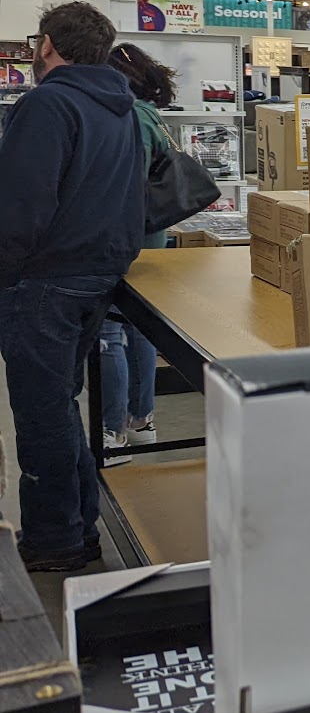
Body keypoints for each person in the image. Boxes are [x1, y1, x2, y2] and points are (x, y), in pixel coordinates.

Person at [0, 2, 146, 572]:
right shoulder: (121, 107)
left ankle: (54, 539)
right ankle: (77, 530)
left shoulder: (48, 103)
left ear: (47, 45)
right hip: (96, 275)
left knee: (42, 415)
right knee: (58, 407)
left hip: (44, 280)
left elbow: (20, 208)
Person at [98, 43, 180, 462]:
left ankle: (113, 431)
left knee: (109, 332)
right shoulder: (151, 114)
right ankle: (142, 419)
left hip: (122, 237)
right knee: (139, 329)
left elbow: (124, 181)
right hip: (151, 237)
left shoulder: (126, 116)